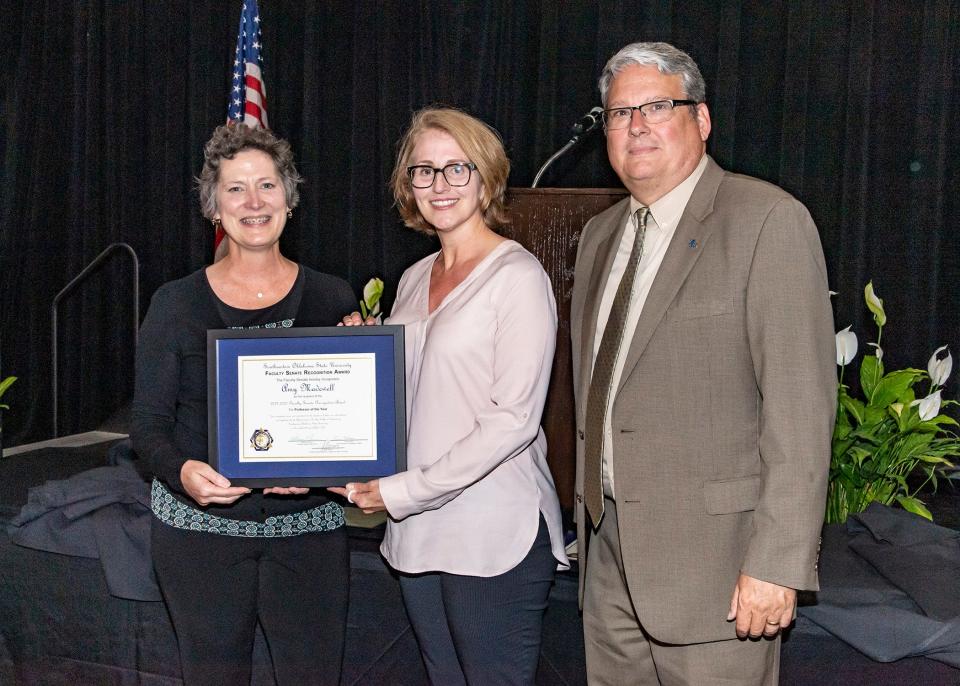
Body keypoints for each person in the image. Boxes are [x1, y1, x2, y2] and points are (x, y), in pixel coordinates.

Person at [570, 42, 836, 684]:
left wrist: (777, 565)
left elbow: (800, 413)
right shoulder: (598, 237)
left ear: (702, 119)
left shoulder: (767, 221)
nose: (635, 125)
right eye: (617, 112)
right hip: (608, 565)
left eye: (656, 106)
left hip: (720, 576)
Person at [331, 107, 569, 685]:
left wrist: (401, 491)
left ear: (486, 179)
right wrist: (365, 357)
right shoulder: (414, 277)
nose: (439, 185)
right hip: (419, 532)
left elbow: (512, 421)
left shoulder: (518, 276)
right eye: (423, 171)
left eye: (456, 169)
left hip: (491, 533)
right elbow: (415, 394)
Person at [131, 124, 356, 686]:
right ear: (214, 206)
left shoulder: (334, 298)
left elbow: (350, 431)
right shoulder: (175, 303)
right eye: (235, 189)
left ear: (289, 197)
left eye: (267, 186)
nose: (253, 202)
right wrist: (183, 473)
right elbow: (148, 429)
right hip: (199, 541)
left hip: (309, 541)